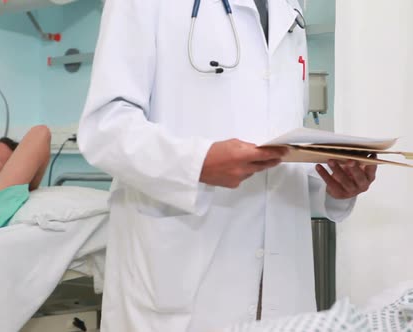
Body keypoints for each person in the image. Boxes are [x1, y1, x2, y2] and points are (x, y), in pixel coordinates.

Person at [77, 1, 376, 331]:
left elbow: (275, 138)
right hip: (183, 272)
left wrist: (332, 186)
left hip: (280, 276)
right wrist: (198, 163)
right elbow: (105, 128)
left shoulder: (290, 5)